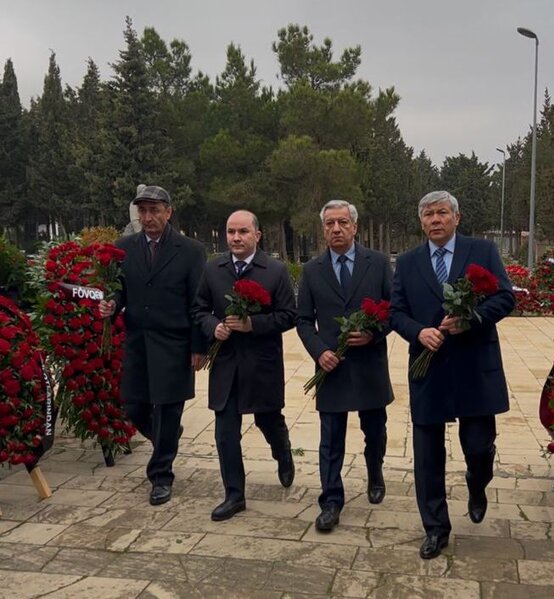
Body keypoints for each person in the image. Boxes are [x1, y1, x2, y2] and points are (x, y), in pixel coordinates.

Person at [390, 190, 515, 559]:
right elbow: (395, 311)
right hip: (429, 369)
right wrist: (417, 331)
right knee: (427, 455)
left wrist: (471, 319)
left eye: (442, 213)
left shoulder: (482, 252)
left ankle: (477, 486)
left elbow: (505, 297)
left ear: (456, 218)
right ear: (421, 221)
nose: (435, 220)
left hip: (475, 366)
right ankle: (435, 528)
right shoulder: (409, 262)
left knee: (478, 447)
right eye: (428, 214)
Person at [99, 185, 206, 506]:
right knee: (134, 405)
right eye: (143, 211)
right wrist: (111, 304)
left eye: (154, 210)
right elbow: (119, 291)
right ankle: (167, 439)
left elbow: (197, 302)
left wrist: (199, 346)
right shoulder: (124, 247)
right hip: (138, 342)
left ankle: (161, 476)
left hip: (175, 343)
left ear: (168, 212)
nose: (148, 217)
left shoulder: (189, 250)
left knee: (169, 409)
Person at [297, 200, 394, 533]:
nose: (335, 229)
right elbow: (303, 320)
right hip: (331, 367)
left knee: (375, 431)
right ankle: (331, 500)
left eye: (341, 222)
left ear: (354, 227)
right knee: (330, 437)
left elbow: (394, 311)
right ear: (323, 229)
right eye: (329, 224)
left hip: (369, 365)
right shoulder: (312, 270)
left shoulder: (379, 264)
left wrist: (373, 333)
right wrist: (319, 351)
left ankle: (375, 471)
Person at [193, 210, 296, 521]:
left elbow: (289, 315)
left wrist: (253, 324)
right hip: (225, 364)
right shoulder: (213, 268)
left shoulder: (274, 270)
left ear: (257, 235)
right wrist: (214, 327)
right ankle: (234, 495)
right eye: (231, 232)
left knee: (268, 421)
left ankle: (283, 451)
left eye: (243, 232)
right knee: (225, 433)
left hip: (261, 364)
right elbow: (198, 309)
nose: (236, 238)